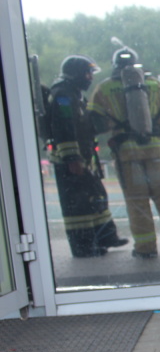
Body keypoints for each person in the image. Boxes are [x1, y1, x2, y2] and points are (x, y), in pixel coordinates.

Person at [88, 47, 160, 259]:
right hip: (158, 151)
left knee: (137, 202)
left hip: (128, 154)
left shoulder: (104, 88)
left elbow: (94, 123)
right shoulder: (155, 85)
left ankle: (145, 249)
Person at [46, 55, 128, 258]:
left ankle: (105, 238)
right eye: (87, 73)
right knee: (77, 207)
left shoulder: (74, 95)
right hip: (70, 162)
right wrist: (72, 158)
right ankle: (83, 248)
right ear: (75, 74)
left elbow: (84, 127)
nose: (90, 77)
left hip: (83, 159)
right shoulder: (62, 95)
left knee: (95, 198)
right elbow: (63, 128)